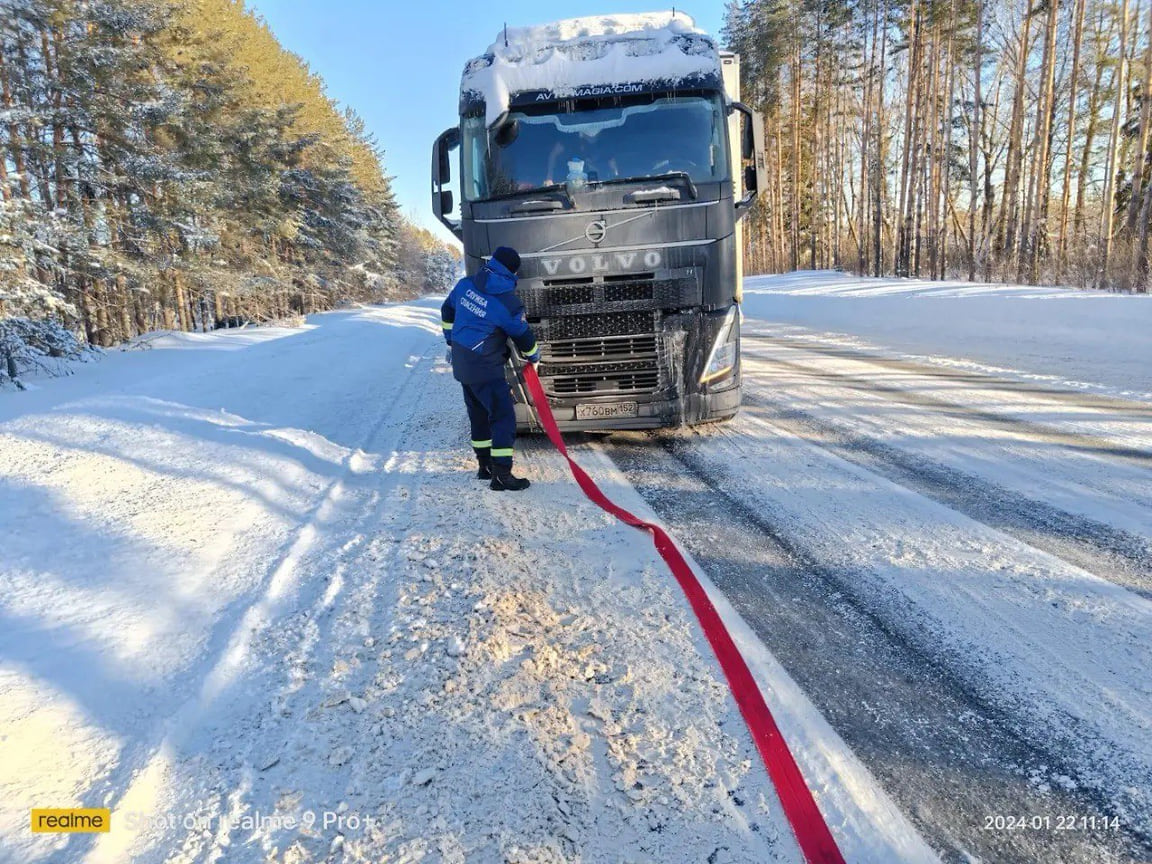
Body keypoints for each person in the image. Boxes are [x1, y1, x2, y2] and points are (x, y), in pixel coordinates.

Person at [441, 247, 540, 491]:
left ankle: (484, 467)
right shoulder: (507, 303)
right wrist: (534, 357)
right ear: (513, 271)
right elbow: (523, 335)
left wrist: (450, 340)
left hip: (463, 364)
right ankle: (502, 476)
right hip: (485, 367)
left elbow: (447, 311)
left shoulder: (465, 285)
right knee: (503, 417)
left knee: (478, 416)